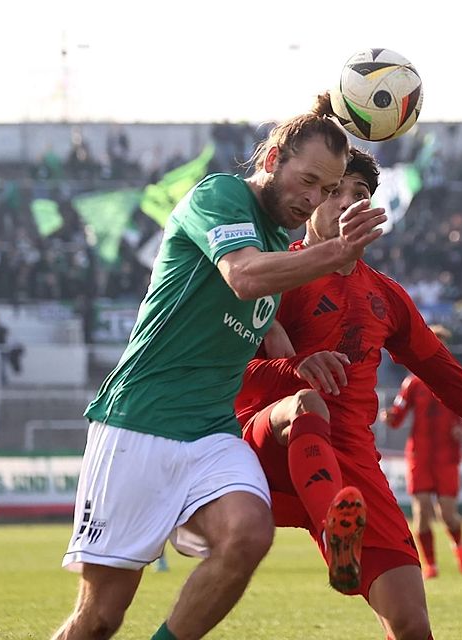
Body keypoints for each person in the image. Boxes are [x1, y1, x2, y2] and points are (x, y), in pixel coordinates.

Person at [52, 94, 387, 640]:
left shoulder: (279, 236)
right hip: (140, 423)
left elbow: (263, 323)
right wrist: (335, 252)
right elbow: (245, 278)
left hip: (211, 431)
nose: (313, 200)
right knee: (98, 621)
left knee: (249, 535)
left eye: (326, 191)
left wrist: (301, 362)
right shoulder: (221, 194)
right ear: (274, 157)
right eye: (307, 181)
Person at [235, 148, 462, 640]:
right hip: (271, 442)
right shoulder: (274, 274)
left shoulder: (386, 297)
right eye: (334, 192)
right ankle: (334, 528)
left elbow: (450, 379)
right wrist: (294, 367)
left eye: (361, 195)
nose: (348, 203)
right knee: (308, 404)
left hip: (351, 462)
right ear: (311, 201)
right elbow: (230, 371)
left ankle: (341, 530)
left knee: (412, 624)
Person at [381, 325, 462, 578]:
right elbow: (398, 417)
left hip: (446, 455)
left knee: (447, 513)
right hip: (419, 454)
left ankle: (458, 545)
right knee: (421, 512)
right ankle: (430, 564)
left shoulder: (456, 378)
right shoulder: (412, 383)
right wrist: (390, 417)